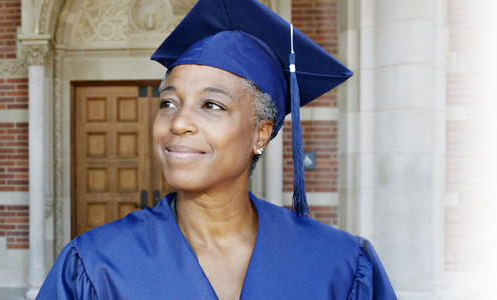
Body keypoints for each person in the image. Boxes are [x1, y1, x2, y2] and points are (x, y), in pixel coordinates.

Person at [37, 0, 396, 299]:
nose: (178, 123)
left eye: (211, 105)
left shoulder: (339, 265)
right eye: (168, 103)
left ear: (261, 134)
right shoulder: (96, 265)